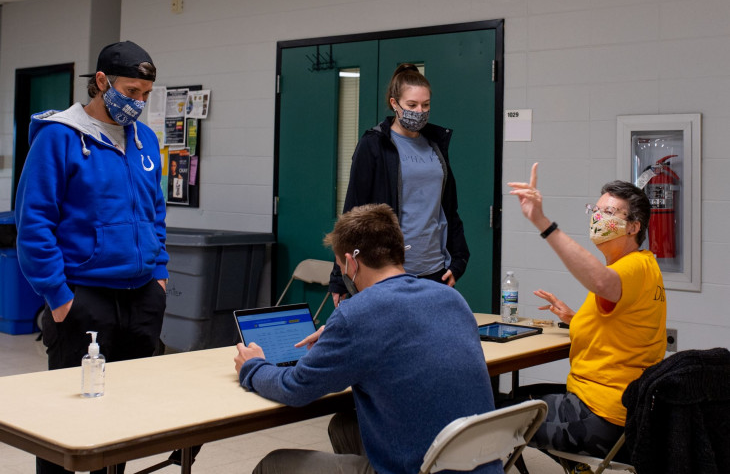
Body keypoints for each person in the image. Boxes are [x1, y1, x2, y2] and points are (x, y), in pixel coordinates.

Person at [235, 204, 501, 474]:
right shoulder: (452, 298)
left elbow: (295, 388)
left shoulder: (356, 315)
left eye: (340, 267)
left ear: (351, 262)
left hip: (422, 469)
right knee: (344, 425)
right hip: (476, 462)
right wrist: (340, 335)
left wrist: (253, 366)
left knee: (274, 465)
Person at [15, 41, 168, 474]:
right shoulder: (59, 137)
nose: (138, 102)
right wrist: (60, 299)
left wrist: (158, 275)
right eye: (131, 91)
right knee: (66, 422)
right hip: (84, 298)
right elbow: (35, 224)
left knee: (122, 420)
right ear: (101, 82)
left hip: (141, 297)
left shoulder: (145, 140)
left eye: (145, 95)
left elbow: (154, 212)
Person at [507, 163, 666, 463]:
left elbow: (601, 282)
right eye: (596, 209)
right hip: (615, 409)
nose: (597, 217)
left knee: (496, 420)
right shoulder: (644, 267)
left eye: (609, 213)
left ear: (633, 227)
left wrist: (542, 222)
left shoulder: (630, 267)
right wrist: (573, 317)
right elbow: (621, 324)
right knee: (519, 400)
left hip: (599, 416)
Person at [329, 63, 469, 305]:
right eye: (412, 105)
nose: (420, 111)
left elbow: (448, 208)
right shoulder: (374, 144)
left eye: (425, 105)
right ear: (394, 104)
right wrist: (340, 278)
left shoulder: (436, 144)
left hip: (435, 269)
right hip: (387, 270)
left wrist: (458, 261)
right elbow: (352, 213)